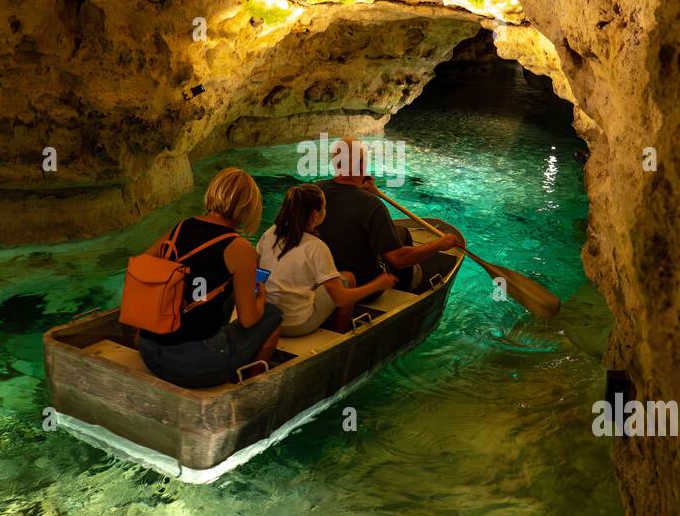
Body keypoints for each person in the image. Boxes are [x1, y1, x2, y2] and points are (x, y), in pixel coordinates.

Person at [135, 167, 282, 388]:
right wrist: (260, 301)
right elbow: (248, 319)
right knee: (274, 315)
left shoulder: (180, 227)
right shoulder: (240, 247)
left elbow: (140, 268)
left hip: (150, 351)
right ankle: (250, 389)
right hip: (195, 366)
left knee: (217, 291)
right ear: (249, 208)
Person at [317, 136, 463, 294]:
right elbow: (397, 259)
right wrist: (439, 244)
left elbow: (344, 199)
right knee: (402, 238)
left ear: (335, 163)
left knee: (400, 231)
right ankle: (407, 287)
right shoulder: (372, 205)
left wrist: (359, 189)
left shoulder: (315, 191)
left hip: (323, 277)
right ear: (361, 165)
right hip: (364, 285)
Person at [257, 184, 398, 335]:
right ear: (315, 215)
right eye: (325, 207)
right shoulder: (316, 247)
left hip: (266, 318)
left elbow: (257, 272)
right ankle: (341, 336)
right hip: (296, 323)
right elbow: (340, 299)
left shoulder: (270, 233)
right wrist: (377, 284)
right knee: (348, 278)